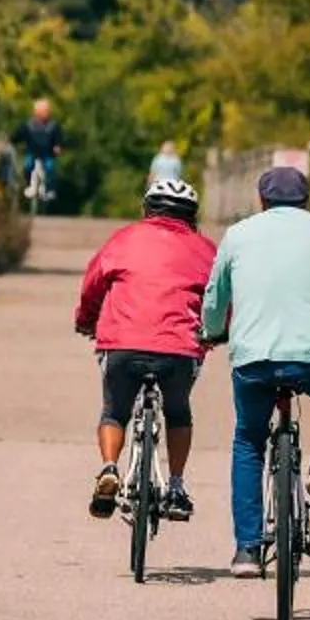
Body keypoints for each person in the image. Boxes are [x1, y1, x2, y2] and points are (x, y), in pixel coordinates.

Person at [197, 163, 310, 575]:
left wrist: (211, 330)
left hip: (253, 357)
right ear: (306, 201)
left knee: (249, 441)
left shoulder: (238, 235)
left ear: (261, 200)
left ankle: (247, 550)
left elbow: (215, 294)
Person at [73, 174, 215, 521]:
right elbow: (221, 298)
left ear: (146, 210)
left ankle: (109, 467)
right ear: (191, 216)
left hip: (122, 345)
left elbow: (93, 285)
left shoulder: (123, 239)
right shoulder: (207, 249)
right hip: (180, 348)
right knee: (178, 412)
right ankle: (177, 487)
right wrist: (216, 331)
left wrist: (86, 320)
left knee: (114, 412)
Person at [18, 96, 63, 205]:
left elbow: (59, 138)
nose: (44, 113)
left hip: (47, 153)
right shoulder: (28, 125)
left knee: (50, 168)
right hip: (32, 152)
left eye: (46, 111)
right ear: (36, 112)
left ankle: (50, 190)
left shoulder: (53, 126)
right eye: (42, 111)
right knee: (28, 165)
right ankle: (29, 186)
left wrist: (58, 146)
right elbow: (18, 135)